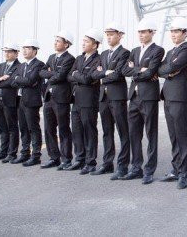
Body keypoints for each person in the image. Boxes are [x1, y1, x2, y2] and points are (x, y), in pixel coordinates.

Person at [122, 19, 165, 185]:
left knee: (150, 134)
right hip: (134, 96)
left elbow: (151, 72)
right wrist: (141, 70)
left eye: (144, 32)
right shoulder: (134, 51)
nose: (141, 35)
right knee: (134, 133)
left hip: (148, 97)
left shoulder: (158, 50)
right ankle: (136, 168)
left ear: (152, 32)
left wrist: (136, 71)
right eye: (139, 32)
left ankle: (149, 170)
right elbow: (124, 70)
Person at [91, 22, 131, 179]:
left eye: (112, 34)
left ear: (120, 35)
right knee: (107, 132)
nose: (108, 37)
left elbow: (118, 74)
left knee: (123, 131)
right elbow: (94, 74)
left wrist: (104, 74)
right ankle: (107, 164)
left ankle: (123, 166)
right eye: (107, 35)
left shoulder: (125, 53)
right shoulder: (103, 55)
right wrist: (106, 73)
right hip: (104, 97)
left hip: (117, 97)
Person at [158, 17, 187, 189]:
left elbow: (171, 67)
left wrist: (168, 69)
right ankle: (176, 169)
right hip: (168, 96)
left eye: (177, 31)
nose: (173, 34)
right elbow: (160, 69)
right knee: (174, 137)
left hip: (180, 97)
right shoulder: (171, 51)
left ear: (185, 33)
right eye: (172, 31)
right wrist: (167, 71)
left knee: (182, 136)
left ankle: (184, 173)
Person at [66, 29, 102, 174]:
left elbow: (89, 79)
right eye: (83, 41)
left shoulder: (98, 59)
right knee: (77, 130)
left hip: (89, 100)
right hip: (76, 100)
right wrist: (78, 76)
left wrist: (77, 75)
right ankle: (79, 159)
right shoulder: (79, 58)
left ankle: (90, 162)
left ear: (95, 45)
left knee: (89, 131)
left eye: (86, 41)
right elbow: (69, 76)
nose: (83, 43)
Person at [39, 30, 75, 170]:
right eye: (55, 41)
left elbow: (61, 76)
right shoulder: (51, 57)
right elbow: (41, 72)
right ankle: (54, 158)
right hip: (49, 98)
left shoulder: (69, 59)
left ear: (66, 44)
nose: (55, 43)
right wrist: (53, 73)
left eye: (58, 41)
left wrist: (51, 74)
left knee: (63, 129)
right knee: (49, 129)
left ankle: (66, 159)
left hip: (61, 98)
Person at [11, 39, 45, 166]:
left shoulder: (39, 64)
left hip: (32, 101)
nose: (24, 51)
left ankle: (36, 155)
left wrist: (19, 79)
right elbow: (13, 82)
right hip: (21, 100)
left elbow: (31, 80)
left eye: (28, 48)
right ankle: (25, 153)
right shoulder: (21, 66)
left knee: (33, 128)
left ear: (35, 51)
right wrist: (21, 80)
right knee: (23, 128)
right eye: (23, 48)